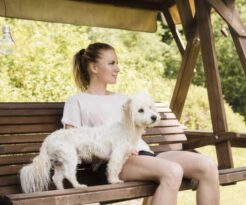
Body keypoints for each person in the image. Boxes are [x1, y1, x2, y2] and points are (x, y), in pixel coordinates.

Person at [61, 42, 220, 205]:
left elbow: (138, 132)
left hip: (145, 154)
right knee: (172, 171)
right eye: (112, 63)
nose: (118, 68)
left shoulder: (124, 99)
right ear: (94, 68)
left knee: (207, 166)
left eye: (116, 63)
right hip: (114, 161)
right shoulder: (77, 101)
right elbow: (71, 144)